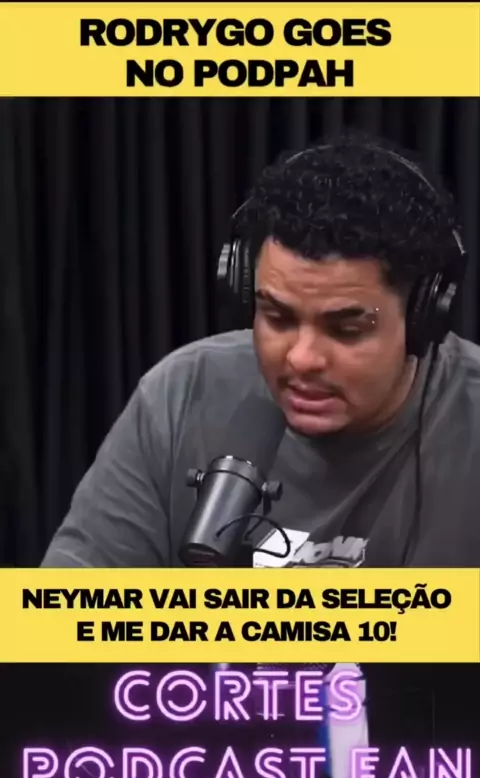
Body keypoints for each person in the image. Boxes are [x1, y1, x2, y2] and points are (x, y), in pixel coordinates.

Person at [41, 129, 480, 569]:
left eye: (346, 330)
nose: (301, 358)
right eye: (278, 317)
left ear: (423, 319)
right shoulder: (181, 395)